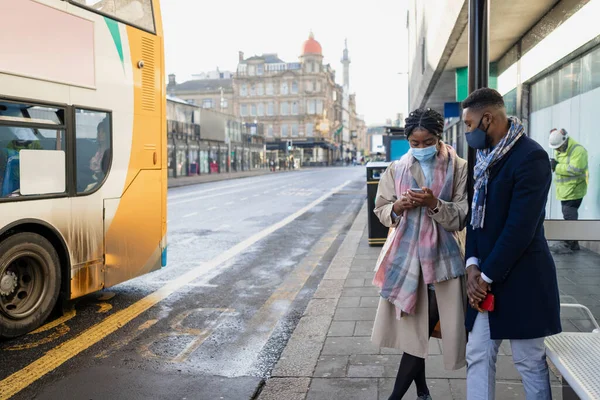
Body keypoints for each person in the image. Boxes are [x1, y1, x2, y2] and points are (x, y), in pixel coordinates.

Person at [462, 88, 561, 400]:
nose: (467, 131)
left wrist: (485, 277)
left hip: (522, 279)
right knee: (477, 354)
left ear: (487, 119)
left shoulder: (531, 157)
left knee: (528, 360)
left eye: (468, 124)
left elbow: (520, 228)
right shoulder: (484, 158)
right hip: (485, 276)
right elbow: (475, 220)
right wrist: (472, 266)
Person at [371, 108, 468, 400]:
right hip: (405, 258)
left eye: (428, 142)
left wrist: (434, 203)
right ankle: (422, 389)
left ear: (439, 138)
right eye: (415, 142)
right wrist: (399, 206)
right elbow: (381, 209)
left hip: (443, 260)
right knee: (416, 330)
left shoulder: (459, 167)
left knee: (422, 328)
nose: (421, 148)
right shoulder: (396, 167)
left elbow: (462, 215)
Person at [549, 128, 588, 252]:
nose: (557, 150)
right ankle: (572, 242)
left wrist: (557, 166)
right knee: (568, 216)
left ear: (564, 142)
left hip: (574, 190)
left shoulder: (578, 151)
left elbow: (575, 169)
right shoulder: (561, 149)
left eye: (559, 147)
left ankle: (570, 243)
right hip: (565, 190)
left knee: (569, 216)